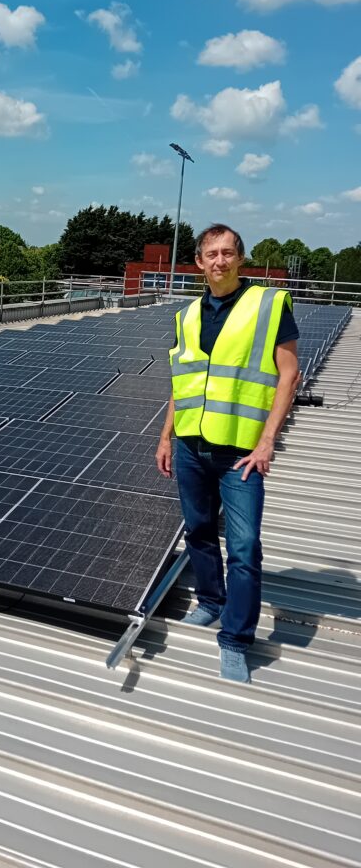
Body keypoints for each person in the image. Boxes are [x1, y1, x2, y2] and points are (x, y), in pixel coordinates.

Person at [155, 224, 300, 683]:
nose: (219, 261)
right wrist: (165, 437)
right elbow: (183, 384)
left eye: (228, 253)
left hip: (241, 454)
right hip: (192, 448)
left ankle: (236, 639)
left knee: (243, 548)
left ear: (240, 259)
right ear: (198, 262)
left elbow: (288, 375)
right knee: (198, 532)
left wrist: (267, 440)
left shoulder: (269, 305)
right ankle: (211, 603)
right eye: (210, 254)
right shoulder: (186, 316)